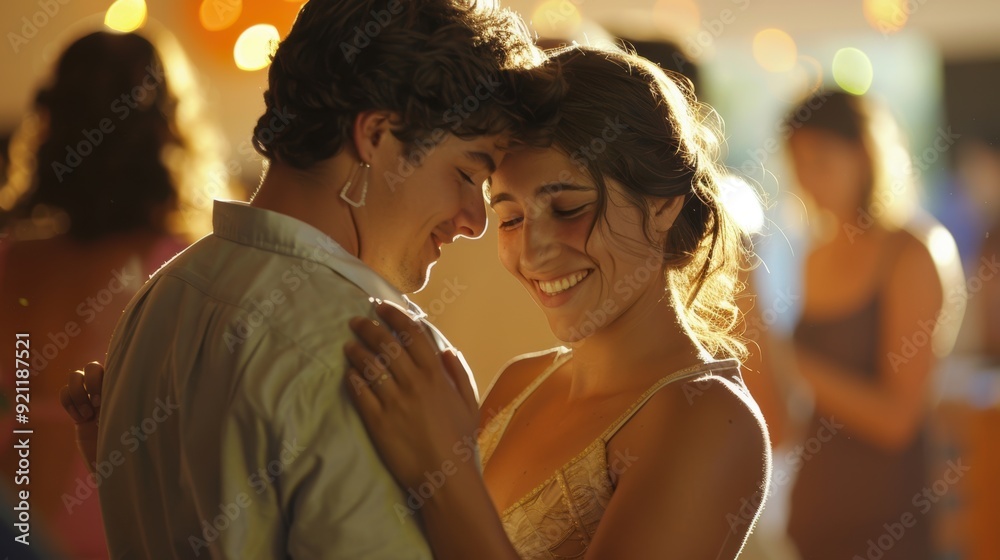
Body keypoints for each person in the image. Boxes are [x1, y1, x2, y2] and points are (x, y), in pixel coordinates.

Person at [57, 0, 559, 557]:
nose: (473, 221)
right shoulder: (381, 360)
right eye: (467, 173)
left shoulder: (162, 296)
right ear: (375, 135)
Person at [342, 45, 771, 559]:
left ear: (661, 206)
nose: (532, 251)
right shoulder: (519, 384)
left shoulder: (709, 418)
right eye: (511, 219)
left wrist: (441, 468)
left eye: (567, 208)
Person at [0, 30, 217, 558]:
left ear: (52, 123)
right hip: (113, 527)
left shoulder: (8, 259)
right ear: (169, 129)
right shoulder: (188, 266)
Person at [782, 90, 965, 560]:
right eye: (798, 162)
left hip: (889, 515)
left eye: (821, 160)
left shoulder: (912, 252)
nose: (807, 179)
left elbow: (898, 420)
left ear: (864, 155)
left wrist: (791, 362)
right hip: (815, 511)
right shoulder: (814, 254)